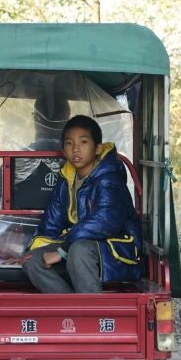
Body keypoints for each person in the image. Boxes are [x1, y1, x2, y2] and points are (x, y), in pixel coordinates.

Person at [22, 114, 143, 293]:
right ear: (63, 149)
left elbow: (103, 222)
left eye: (84, 142)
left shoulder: (109, 179)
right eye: (69, 144)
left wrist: (62, 251)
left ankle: (91, 314)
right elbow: (50, 225)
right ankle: (71, 313)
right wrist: (30, 252)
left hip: (118, 250)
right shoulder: (66, 180)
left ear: (97, 148)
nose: (76, 149)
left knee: (78, 251)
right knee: (32, 261)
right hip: (77, 245)